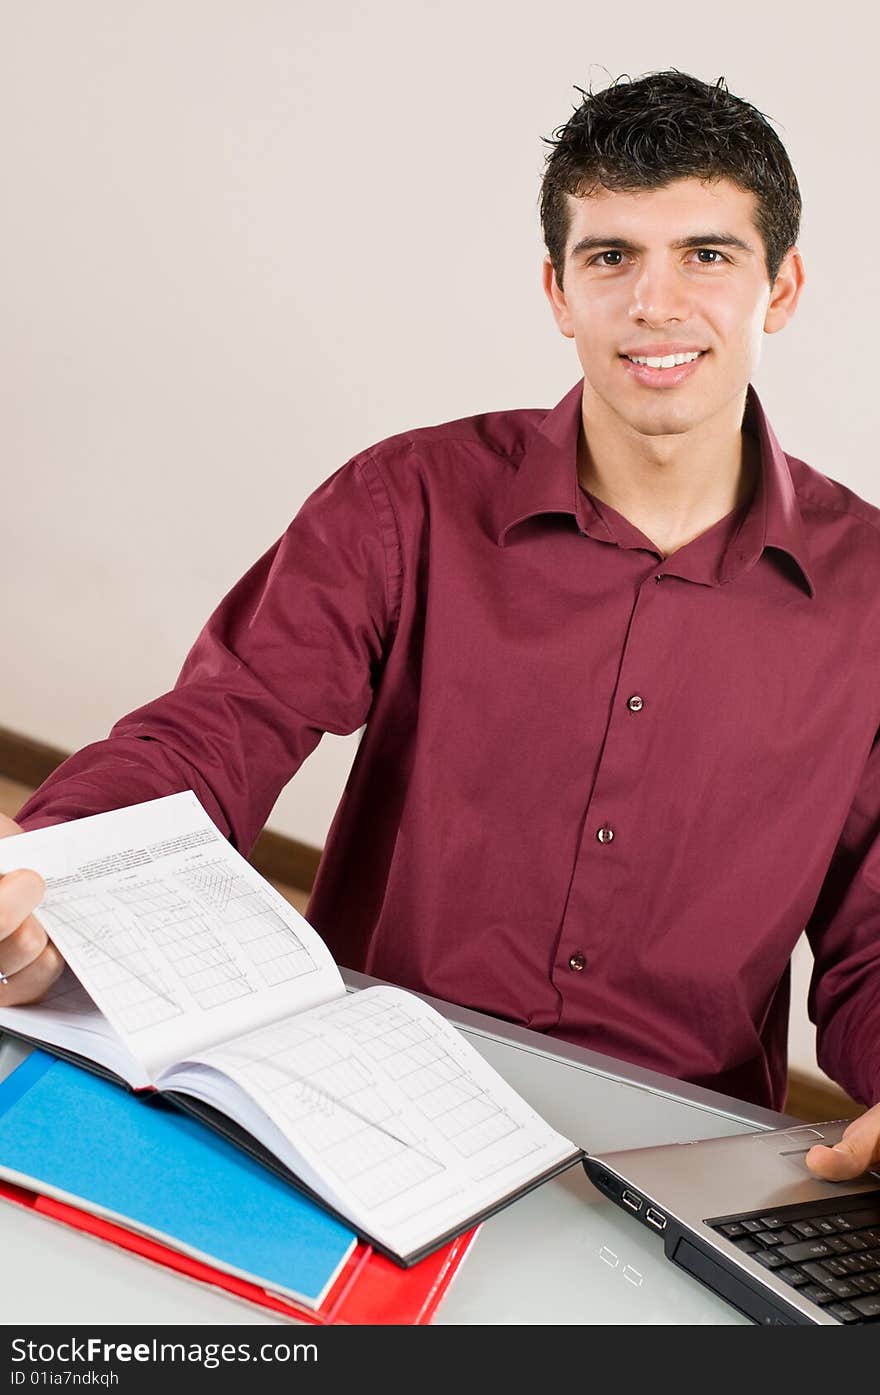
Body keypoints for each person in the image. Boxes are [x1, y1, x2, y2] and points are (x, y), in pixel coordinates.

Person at [1, 70, 878, 1182]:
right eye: (611, 257)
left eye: (707, 255)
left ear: (782, 287)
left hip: (683, 1153)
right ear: (559, 292)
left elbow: (873, 943)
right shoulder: (406, 499)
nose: (655, 304)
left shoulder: (870, 596)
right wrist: (55, 866)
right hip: (368, 1099)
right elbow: (222, 724)